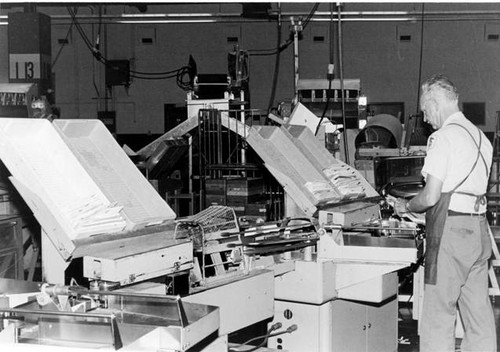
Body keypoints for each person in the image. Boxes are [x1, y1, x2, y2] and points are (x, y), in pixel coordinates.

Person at [394, 74, 496, 352]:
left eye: (426, 111)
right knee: (478, 314)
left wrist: (406, 206)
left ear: (437, 103)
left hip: (451, 233)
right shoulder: (480, 137)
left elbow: (431, 196)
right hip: (478, 231)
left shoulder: (443, 138)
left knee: (439, 314)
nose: (426, 119)